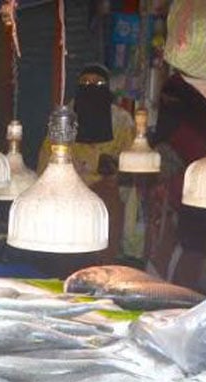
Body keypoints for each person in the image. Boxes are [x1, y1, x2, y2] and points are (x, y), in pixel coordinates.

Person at [37, 63, 135, 262]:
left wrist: (115, 172)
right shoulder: (64, 118)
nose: (91, 86)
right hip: (67, 193)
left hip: (104, 195)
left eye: (97, 83)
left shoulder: (122, 120)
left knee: (101, 255)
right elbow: (46, 158)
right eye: (85, 82)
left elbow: (132, 164)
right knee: (65, 253)